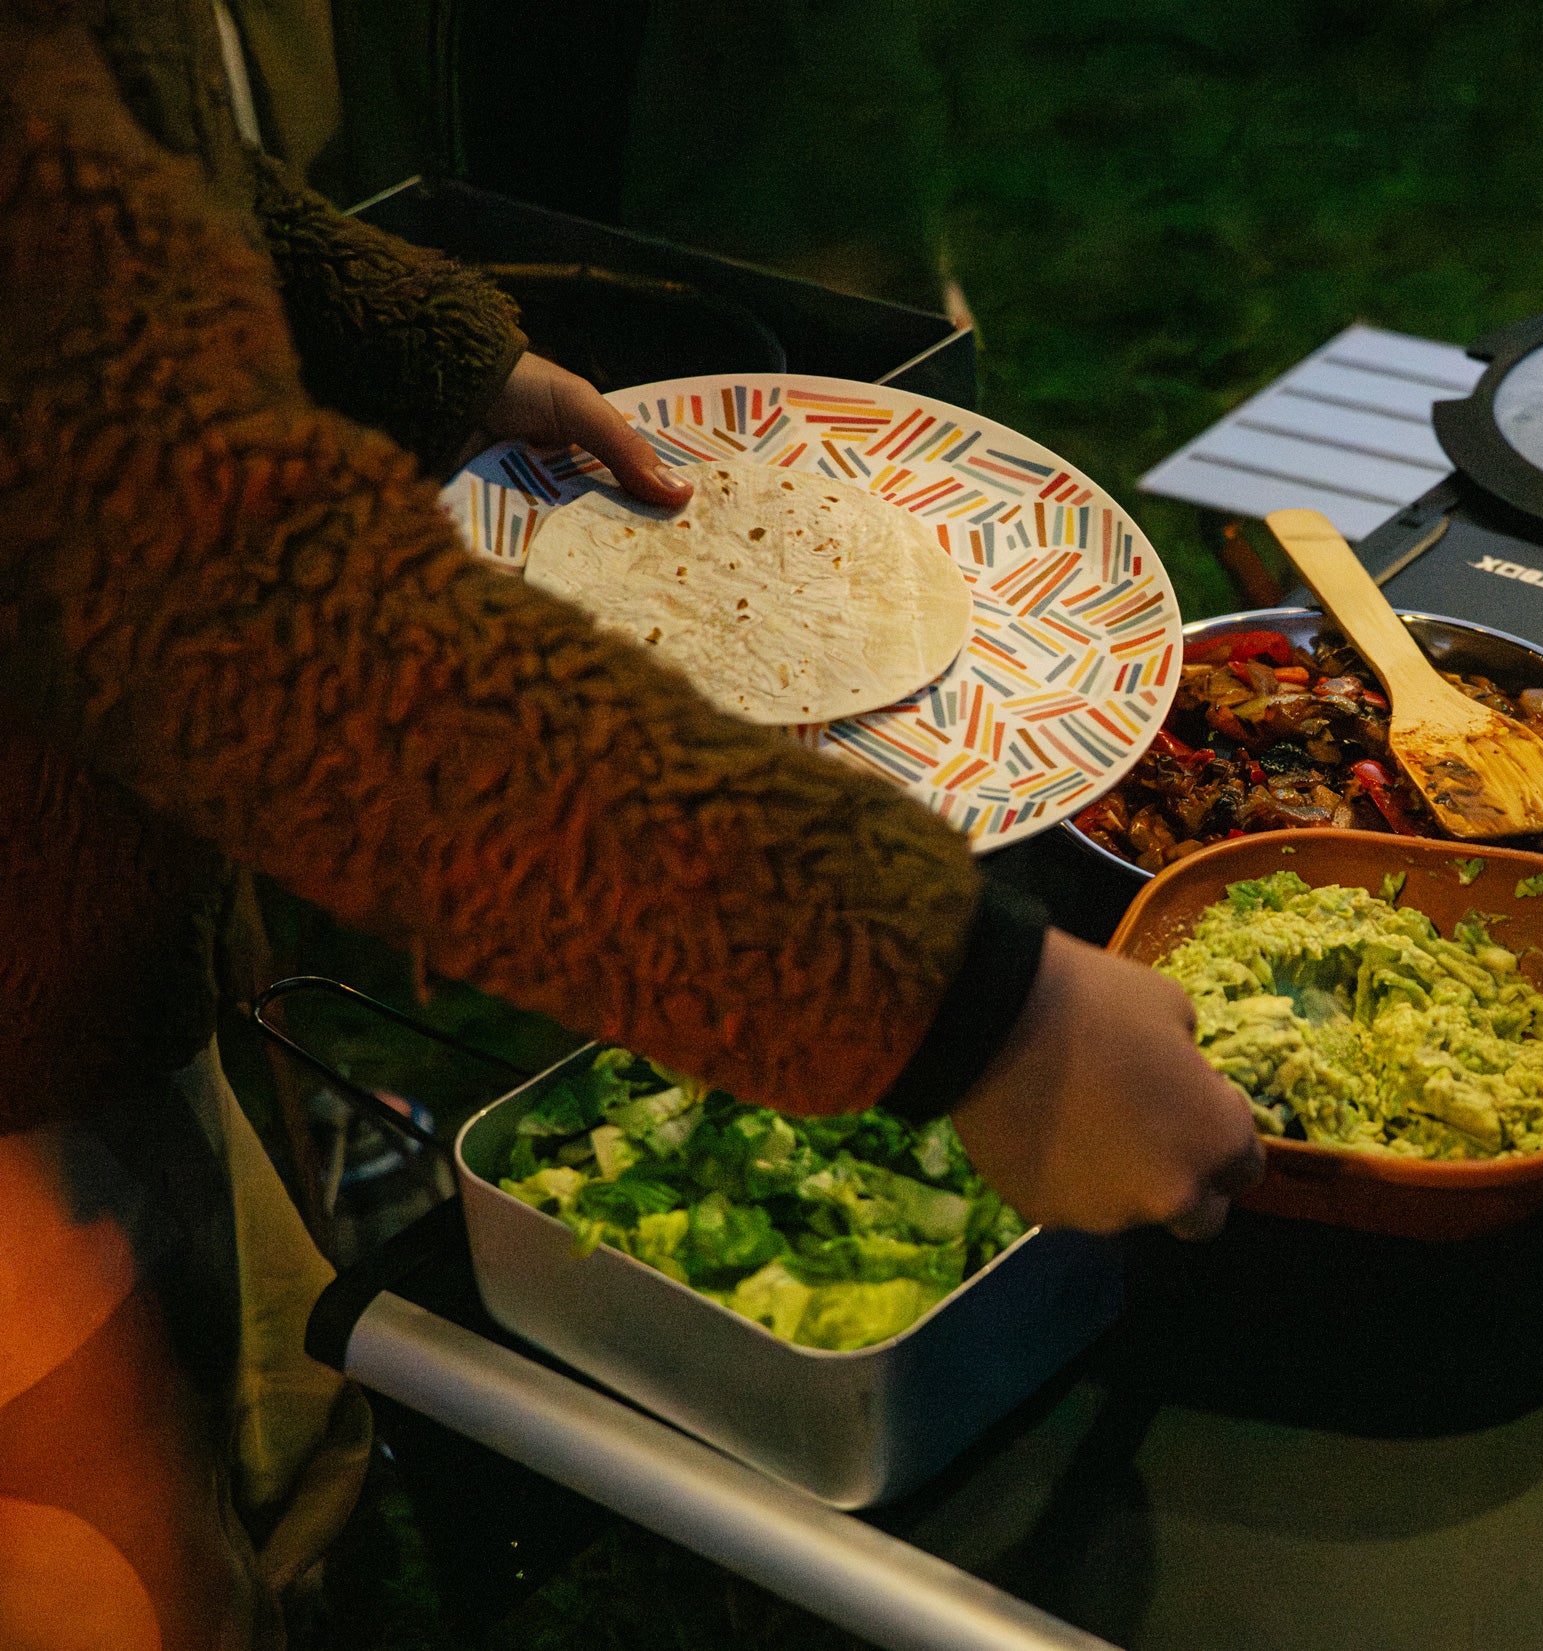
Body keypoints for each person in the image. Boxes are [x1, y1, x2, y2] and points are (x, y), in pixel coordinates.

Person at [0, 3, 1262, 1648]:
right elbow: (231, 620)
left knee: (236, 1454)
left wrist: (421, 347)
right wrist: (972, 1014)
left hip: (85, 912)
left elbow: (122, 171)